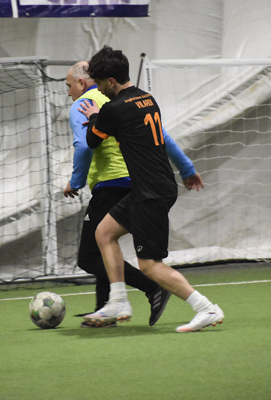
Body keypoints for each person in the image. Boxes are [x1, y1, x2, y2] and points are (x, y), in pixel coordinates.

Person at [79, 46, 224, 332]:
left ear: (111, 81)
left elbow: (92, 141)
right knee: (104, 233)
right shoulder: (147, 99)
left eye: (100, 84)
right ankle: (118, 301)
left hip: (150, 193)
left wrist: (95, 115)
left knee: (149, 265)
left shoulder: (113, 109)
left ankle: (205, 308)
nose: (98, 90)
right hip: (152, 186)